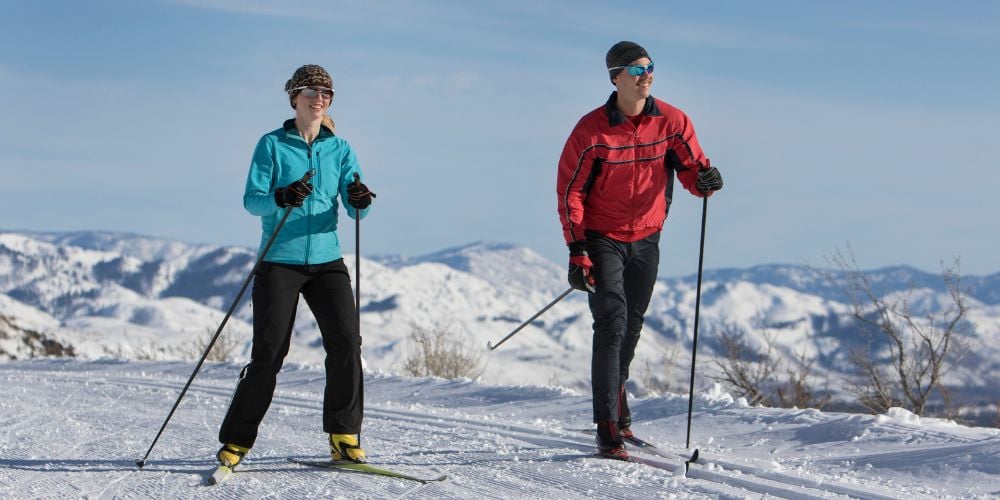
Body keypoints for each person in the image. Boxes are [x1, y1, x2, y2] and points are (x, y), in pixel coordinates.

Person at [555, 41, 723, 460]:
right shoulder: (591, 131)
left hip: (647, 236)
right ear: (615, 77)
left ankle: (618, 399)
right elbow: (571, 192)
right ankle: (607, 426)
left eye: (650, 66)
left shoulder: (672, 121)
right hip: (602, 236)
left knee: (632, 324)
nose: (646, 74)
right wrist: (577, 250)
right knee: (611, 323)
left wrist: (705, 180)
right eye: (635, 69)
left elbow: (691, 167)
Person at [215, 64, 376, 469]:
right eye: (312, 90)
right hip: (279, 261)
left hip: (326, 260)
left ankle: (343, 435)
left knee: (346, 344)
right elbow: (253, 201)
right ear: (294, 97)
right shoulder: (271, 145)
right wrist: (282, 196)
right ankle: (236, 441)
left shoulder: (340, 149)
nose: (320, 97)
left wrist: (360, 198)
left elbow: (358, 210)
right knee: (269, 354)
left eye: (327, 92)